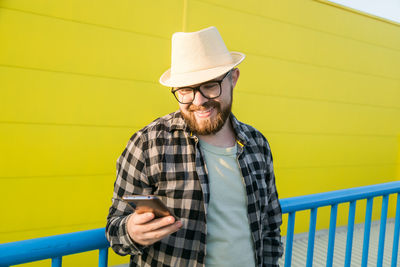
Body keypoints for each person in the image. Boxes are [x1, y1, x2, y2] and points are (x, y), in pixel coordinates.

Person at [106, 26, 283, 267]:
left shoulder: (257, 144)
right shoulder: (148, 144)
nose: (198, 101)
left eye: (210, 85)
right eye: (186, 90)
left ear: (234, 79)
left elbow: (271, 225)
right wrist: (131, 231)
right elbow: (115, 228)